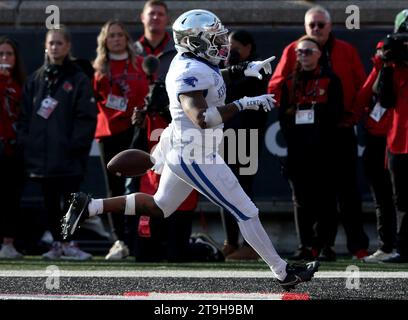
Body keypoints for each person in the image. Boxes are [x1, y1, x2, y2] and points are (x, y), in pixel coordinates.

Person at [62, 9, 319, 289]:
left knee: (161, 206)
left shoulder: (192, 62)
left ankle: (91, 206)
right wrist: (245, 103)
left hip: (182, 146)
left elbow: (212, 78)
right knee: (247, 211)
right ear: (194, 42)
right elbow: (203, 118)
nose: (222, 43)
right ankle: (283, 272)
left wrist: (244, 68)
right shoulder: (189, 71)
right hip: (194, 154)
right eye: (214, 38)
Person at [268, 5, 369, 260]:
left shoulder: (346, 52)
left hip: (339, 135)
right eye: (311, 25)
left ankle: (357, 247)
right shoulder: (293, 50)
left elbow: (362, 87)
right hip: (302, 140)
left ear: (330, 26)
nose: (316, 29)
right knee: (304, 195)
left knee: (345, 193)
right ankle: (311, 245)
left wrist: (351, 118)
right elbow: (275, 87)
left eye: (320, 25)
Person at [18, 26, 97, 260]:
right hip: (42, 157)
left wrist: (75, 146)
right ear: (45, 45)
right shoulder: (35, 79)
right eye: (51, 43)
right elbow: (24, 116)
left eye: (59, 43)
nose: (55, 47)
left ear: (68, 46)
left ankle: (70, 242)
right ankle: (56, 243)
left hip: (69, 155)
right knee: (50, 202)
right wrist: (28, 143)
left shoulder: (78, 78)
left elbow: (86, 117)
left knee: (72, 199)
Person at [278, 35, 343, 261]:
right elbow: (283, 119)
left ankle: (326, 245)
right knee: (301, 200)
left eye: (308, 52)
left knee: (326, 199)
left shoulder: (331, 80)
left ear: (318, 55)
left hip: (325, 150)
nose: (303, 56)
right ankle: (305, 245)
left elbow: (336, 115)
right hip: (298, 152)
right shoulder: (289, 82)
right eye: (300, 52)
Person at [92, 20, 149, 260]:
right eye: (111, 35)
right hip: (110, 134)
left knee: (136, 186)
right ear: (105, 41)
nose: (115, 39)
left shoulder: (139, 65)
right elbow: (99, 101)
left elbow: (145, 95)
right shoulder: (100, 69)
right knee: (114, 188)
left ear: (126, 38)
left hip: (135, 131)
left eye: (119, 35)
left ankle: (136, 238)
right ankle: (119, 240)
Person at [220, 30, 269, 261]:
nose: (230, 52)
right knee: (222, 189)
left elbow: (238, 94)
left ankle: (251, 246)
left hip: (246, 137)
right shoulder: (225, 68)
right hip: (224, 136)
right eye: (228, 47)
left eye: (236, 48)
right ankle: (231, 241)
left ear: (249, 48)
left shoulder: (256, 69)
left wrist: (233, 71)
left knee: (243, 192)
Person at [357, 41, 397, 263]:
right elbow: (361, 99)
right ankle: (387, 245)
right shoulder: (380, 69)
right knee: (382, 197)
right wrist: (378, 67)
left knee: (401, 198)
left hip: (399, 140)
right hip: (377, 140)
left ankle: (399, 245)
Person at [374, 9, 408, 263]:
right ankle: (404, 248)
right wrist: (385, 63)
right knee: (402, 200)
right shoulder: (393, 65)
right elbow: (384, 99)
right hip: (399, 142)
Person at [0, 37, 25, 259]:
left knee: (11, 198)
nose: (5, 59)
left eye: (9, 54)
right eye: (1, 55)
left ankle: (8, 243)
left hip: (13, 149)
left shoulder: (20, 85)